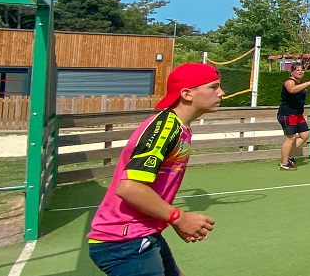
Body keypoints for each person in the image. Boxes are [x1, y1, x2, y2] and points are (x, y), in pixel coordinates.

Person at [87, 63, 222, 275]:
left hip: (143, 235)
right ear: (187, 94)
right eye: (214, 87)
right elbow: (129, 187)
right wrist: (179, 218)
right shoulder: (165, 127)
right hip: (125, 242)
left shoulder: (179, 127)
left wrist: (173, 222)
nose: (221, 93)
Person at [278, 62, 310, 170]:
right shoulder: (289, 82)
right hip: (288, 113)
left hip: (298, 114)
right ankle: (284, 163)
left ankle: (289, 156)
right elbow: (292, 90)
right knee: (290, 138)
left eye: (302, 70)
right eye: (297, 70)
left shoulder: (299, 82)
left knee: (305, 135)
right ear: (291, 72)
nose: (300, 71)